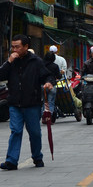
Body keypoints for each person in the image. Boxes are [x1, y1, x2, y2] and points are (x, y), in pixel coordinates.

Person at [0, 34, 54, 171]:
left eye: (17, 47)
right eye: (12, 47)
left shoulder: (36, 61)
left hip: (32, 103)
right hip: (14, 103)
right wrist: (9, 61)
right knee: (16, 131)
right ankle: (11, 161)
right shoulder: (11, 62)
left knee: (34, 132)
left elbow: (47, 75)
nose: (14, 50)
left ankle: (37, 157)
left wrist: (48, 83)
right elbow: (1, 75)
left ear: (26, 47)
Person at [42, 51, 61, 121]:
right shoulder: (55, 66)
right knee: (51, 101)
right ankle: (49, 116)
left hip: (43, 86)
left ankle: (44, 115)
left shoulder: (41, 65)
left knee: (44, 100)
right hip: (52, 85)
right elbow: (59, 76)